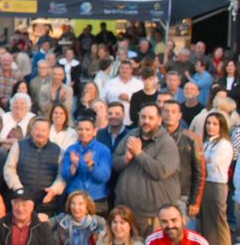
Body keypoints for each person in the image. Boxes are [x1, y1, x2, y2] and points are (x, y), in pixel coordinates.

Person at [112, 104, 180, 236]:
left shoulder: (167, 143)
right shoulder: (131, 136)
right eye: (143, 117)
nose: (146, 121)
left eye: (150, 118)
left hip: (152, 216)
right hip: (127, 213)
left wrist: (139, 154)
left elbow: (160, 171)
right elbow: (114, 162)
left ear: (159, 120)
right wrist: (126, 158)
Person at [4, 117, 65, 215]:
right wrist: (18, 188)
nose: (40, 133)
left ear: (49, 132)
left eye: (43, 130)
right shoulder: (19, 146)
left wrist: (54, 190)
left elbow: (62, 176)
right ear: (31, 130)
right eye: (37, 129)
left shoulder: (58, 150)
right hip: (22, 203)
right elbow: (9, 168)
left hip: (46, 204)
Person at [160, 101, 204, 229]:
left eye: (173, 112)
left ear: (179, 115)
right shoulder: (155, 136)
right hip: (160, 192)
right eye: (166, 111)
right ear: (161, 114)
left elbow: (199, 171)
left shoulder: (191, 138)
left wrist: (195, 202)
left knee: (185, 233)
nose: (169, 115)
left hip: (183, 195)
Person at [61, 115, 113, 214]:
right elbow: (65, 175)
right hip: (74, 198)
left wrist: (90, 164)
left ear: (94, 131)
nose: (84, 132)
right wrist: (74, 165)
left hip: (96, 198)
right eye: (80, 129)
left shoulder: (103, 150)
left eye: (87, 129)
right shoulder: (71, 149)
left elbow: (104, 177)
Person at [199, 112, 231, 245]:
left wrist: (202, 159)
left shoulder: (223, 144)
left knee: (218, 221)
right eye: (208, 123)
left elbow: (211, 163)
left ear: (221, 126)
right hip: (205, 183)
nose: (210, 127)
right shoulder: (207, 142)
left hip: (217, 184)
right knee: (207, 220)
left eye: (214, 124)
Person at [101, 62, 144, 127]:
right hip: (112, 120)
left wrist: (129, 99)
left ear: (131, 70)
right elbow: (102, 100)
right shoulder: (110, 83)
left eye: (127, 68)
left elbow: (143, 102)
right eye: (122, 68)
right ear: (119, 70)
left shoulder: (139, 84)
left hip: (132, 122)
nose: (124, 70)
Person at [144, 205, 209, 245]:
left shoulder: (199, 242)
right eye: (164, 221)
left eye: (174, 220)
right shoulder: (152, 241)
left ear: (183, 221)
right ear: (160, 224)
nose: (170, 226)